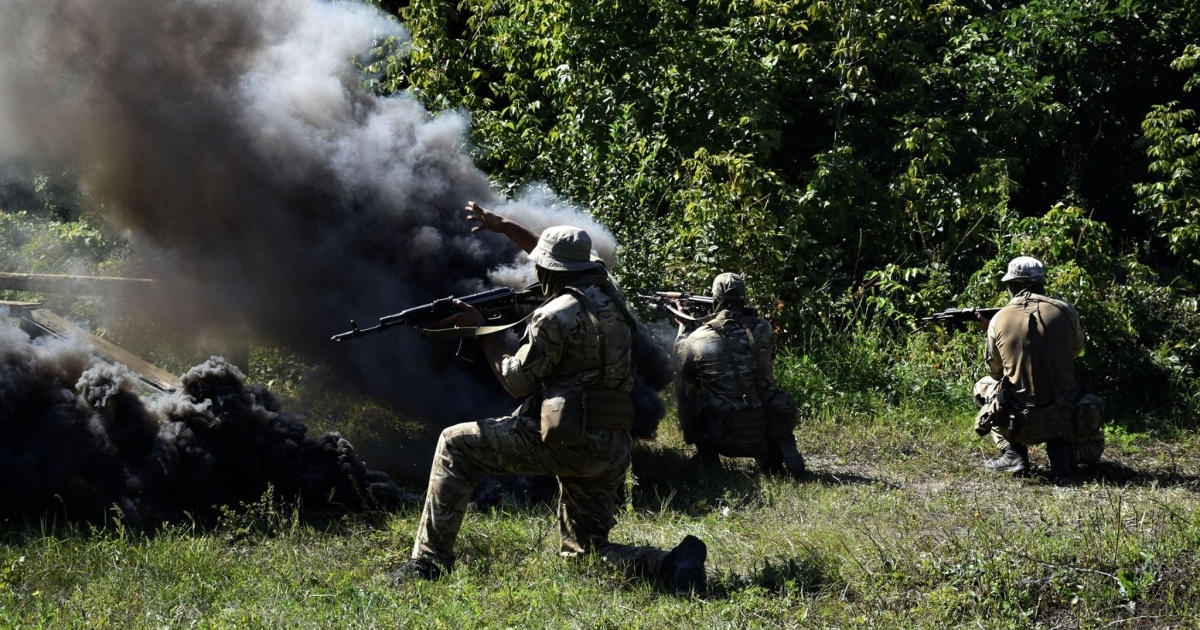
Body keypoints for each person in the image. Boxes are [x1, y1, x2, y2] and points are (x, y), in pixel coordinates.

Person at [390, 201, 707, 592]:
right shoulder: (612, 295)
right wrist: (505, 226)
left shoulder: (553, 315)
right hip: (611, 446)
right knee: (585, 552)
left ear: (550, 271)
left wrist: (483, 331)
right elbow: (560, 256)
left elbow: (515, 381)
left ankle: (428, 564)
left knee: (455, 445)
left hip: (568, 439)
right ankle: (669, 564)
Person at [972, 256, 1105, 477]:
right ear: (1042, 283)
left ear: (1012, 285)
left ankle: (1013, 453)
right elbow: (1076, 351)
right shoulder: (1066, 311)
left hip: (1021, 421)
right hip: (1065, 418)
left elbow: (994, 371)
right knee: (1093, 448)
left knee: (983, 386)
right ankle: (1066, 452)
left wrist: (991, 333)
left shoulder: (998, 318)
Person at [672, 273, 804, 478]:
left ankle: (708, 457)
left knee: (686, 385)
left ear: (715, 300)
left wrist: (684, 327)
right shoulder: (764, 328)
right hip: (765, 430)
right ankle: (770, 455)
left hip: (722, 435)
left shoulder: (699, 336)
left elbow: (680, 365)